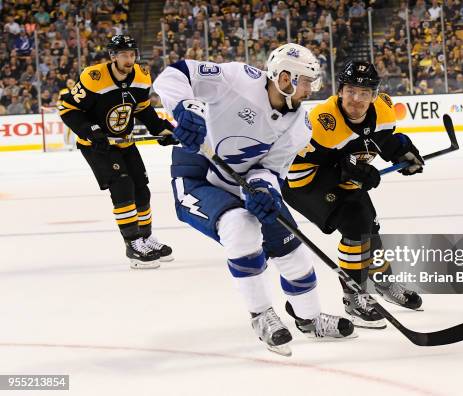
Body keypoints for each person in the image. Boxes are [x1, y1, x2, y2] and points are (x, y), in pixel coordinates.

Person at [152, 43, 356, 356]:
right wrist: (183, 107)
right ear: (285, 78)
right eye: (305, 82)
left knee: (292, 250)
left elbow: (272, 169)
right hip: (197, 175)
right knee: (240, 227)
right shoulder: (237, 78)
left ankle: (309, 318)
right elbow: (175, 74)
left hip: (243, 182)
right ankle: (261, 315)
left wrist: (265, 190)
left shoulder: (300, 126)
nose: (310, 90)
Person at [282, 61, 424, 329]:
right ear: (340, 91)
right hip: (304, 181)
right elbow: (300, 165)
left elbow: (381, 139)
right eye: (350, 91)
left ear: (374, 95)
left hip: (341, 174)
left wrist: (402, 152)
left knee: (370, 225)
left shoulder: (382, 109)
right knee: (356, 225)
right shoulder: (321, 122)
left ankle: (382, 281)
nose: (356, 99)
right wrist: (349, 171)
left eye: (364, 93)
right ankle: (353, 298)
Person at [58, 35, 177, 269]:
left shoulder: (141, 77)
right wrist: (91, 131)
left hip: (125, 142)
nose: (129, 59)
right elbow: (68, 108)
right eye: (124, 54)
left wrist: (161, 129)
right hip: (97, 146)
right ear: (113, 56)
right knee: (123, 186)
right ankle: (132, 244)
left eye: (132, 54)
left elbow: (143, 109)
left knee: (142, 190)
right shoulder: (94, 78)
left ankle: (145, 238)